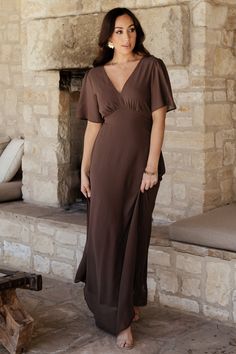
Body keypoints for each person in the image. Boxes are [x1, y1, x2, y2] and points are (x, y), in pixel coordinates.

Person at [74, 7, 176, 349]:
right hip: (104, 167)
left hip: (141, 168)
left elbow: (159, 121)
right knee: (105, 236)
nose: (127, 37)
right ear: (108, 37)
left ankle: (125, 306)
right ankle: (114, 313)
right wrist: (83, 170)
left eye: (131, 30)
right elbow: (93, 126)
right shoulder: (94, 77)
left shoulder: (151, 68)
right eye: (119, 31)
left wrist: (150, 167)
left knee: (134, 235)